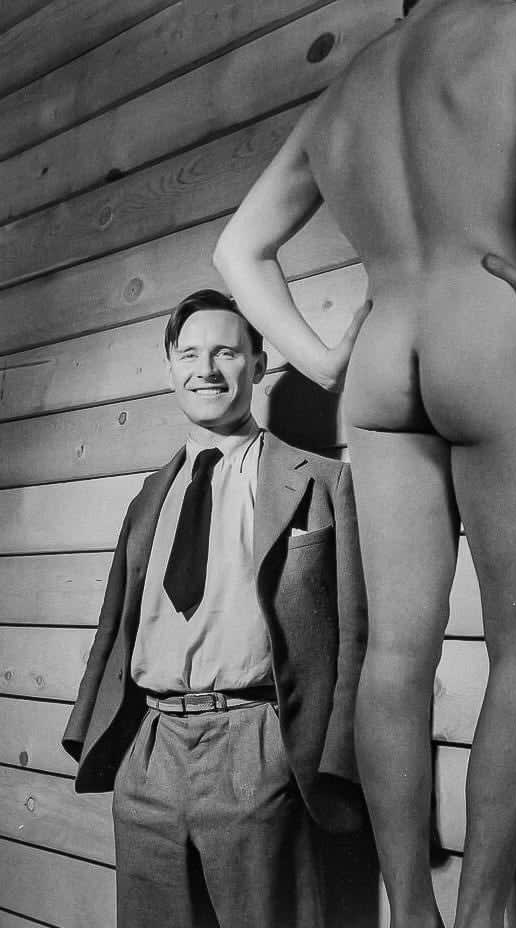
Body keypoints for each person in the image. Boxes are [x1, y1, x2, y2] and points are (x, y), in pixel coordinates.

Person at [212, 2, 516, 926]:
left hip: (383, 356)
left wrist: (323, 361)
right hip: (489, 330)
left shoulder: (347, 89)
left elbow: (236, 249)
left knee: (394, 655)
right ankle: (482, 918)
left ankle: (410, 912)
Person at [62, 289, 368, 928]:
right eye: (189, 354)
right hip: (149, 750)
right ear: (170, 368)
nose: (205, 369)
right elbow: (115, 623)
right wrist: (103, 738)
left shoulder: (320, 481)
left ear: (257, 364)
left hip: (257, 743)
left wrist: (325, 763)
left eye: (226, 352)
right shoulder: (151, 494)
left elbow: (355, 634)